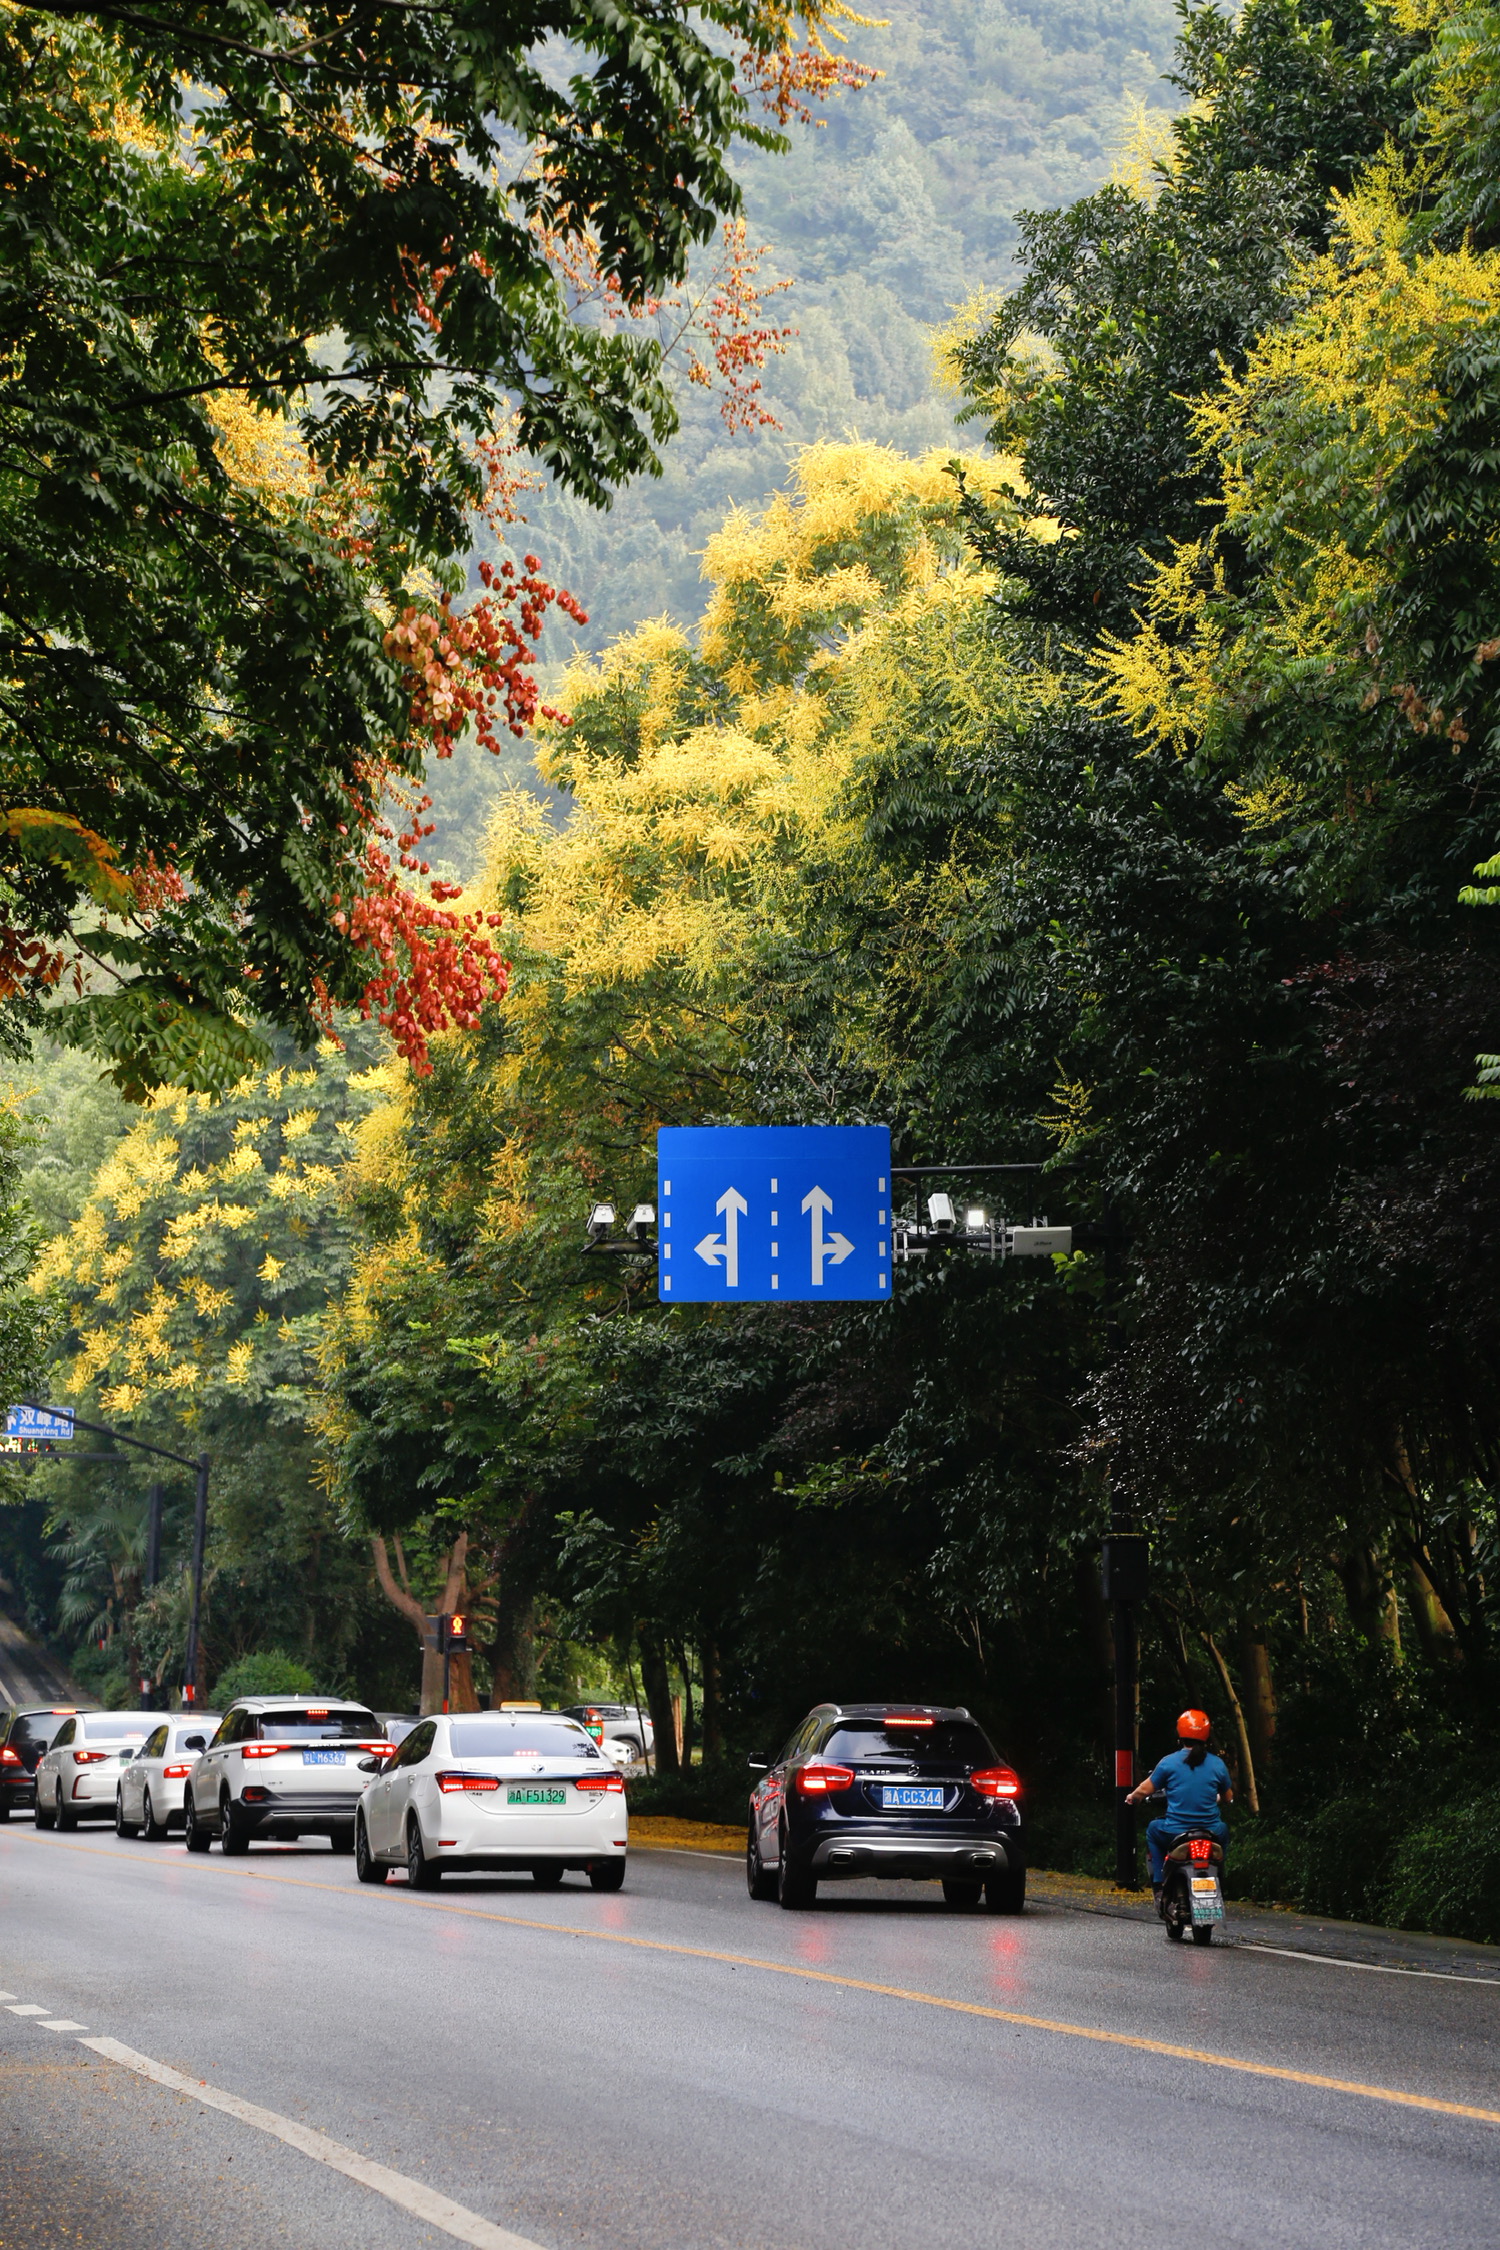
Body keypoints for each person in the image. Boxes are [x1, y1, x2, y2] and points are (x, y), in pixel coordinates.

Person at [1126, 1710, 1233, 1895]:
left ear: (1180, 1734)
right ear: (1207, 1735)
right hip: (1211, 1831)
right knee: (1223, 1829)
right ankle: (1219, 1875)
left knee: (1153, 1829)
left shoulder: (1168, 1763)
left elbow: (1145, 1789)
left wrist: (1132, 1796)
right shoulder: (1217, 1764)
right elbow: (1228, 1797)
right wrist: (1217, 1798)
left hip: (1175, 1832)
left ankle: (1159, 1882)